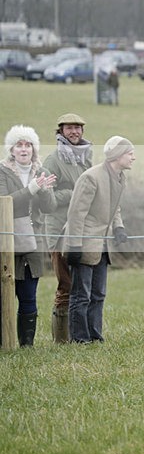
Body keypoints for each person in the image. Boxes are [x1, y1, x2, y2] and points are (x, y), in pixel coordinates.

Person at [64, 136, 134, 343]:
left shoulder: (120, 177)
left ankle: (95, 336)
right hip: (84, 243)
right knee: (81, 295)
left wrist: (119, 227)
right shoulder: (91, 177)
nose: (134, 157)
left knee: (98, 294)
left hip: (103, 245)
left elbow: (115, 207)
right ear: (117, 155)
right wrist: (74, 245)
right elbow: (76, 214)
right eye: (130, 153)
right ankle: (80, 339)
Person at [0, 125, 56, 346]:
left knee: (29, 296)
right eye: (19, 145)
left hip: (33, 241)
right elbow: (5, 203)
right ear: (11, 150)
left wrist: (45, 191)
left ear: (34, 149)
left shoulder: (41, 172)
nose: (24, 149)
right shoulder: (2, 171)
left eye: (28, 145)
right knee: (4, 296)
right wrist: (32, 188)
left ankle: (26, 345)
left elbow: (49, 207)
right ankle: (4, 342)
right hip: (7, 240)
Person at [42, 113, 93, 343]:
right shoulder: (53, 160)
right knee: (65, 285)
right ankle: (61, 340)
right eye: (69, 128)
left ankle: (80, 335)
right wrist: (73, 194)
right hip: (58, 231)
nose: (74, 132)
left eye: (77, 128)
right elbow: (46, 198)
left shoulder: (85, 159)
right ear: (61, 132)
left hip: (80, 231)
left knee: (82, 287)